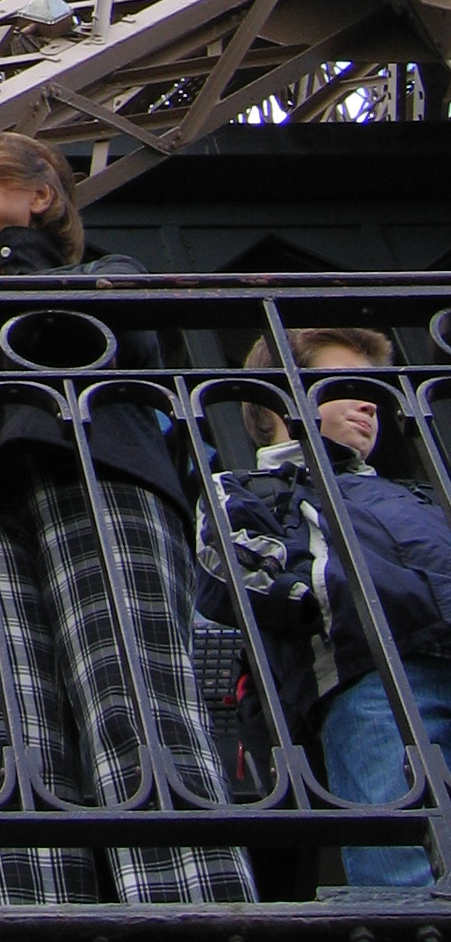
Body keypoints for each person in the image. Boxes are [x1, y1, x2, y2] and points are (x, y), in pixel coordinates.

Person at [0, 118, 254, 908]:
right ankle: (34, 923)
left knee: (137, 703)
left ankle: (194, 923)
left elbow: (71, 335)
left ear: (41, 194)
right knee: (3, 741)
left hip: (88, 477)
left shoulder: (115, 272)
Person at [197, 326, 451, 890]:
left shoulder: (414, 493)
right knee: (400, 846)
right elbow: (230, 572)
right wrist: (320, 600)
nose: (368, 402)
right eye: (344, 383)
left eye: (373, 390)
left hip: (439, 647)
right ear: (280, 401)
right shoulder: (252, 487)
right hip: (369, 675)